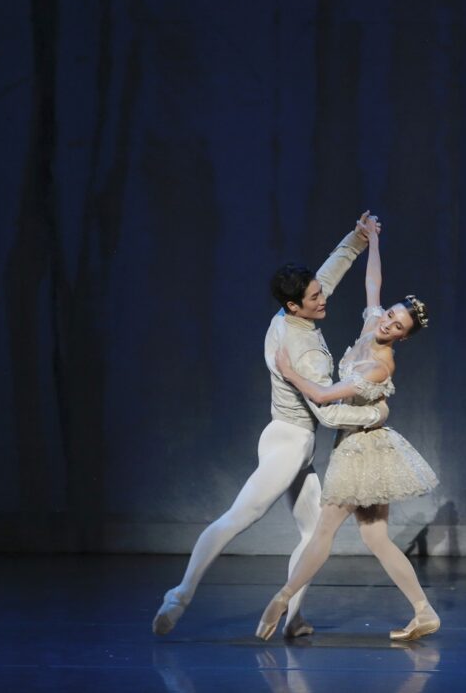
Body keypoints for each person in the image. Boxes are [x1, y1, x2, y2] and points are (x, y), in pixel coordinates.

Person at [152, 213, 388, 638]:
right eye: (315, 297)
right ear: (293, 305)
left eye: (320, 292)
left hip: (286, 437)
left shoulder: (289, 315)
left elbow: (329, 271)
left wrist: (356, 237)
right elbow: (327, 412)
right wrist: (374, 414)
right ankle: (180, 594)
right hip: (291, 442)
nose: (323, 299)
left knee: (313, 533)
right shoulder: (304, 351)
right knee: (240, 517)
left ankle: (293, 617)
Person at [255, 216, 440, 642]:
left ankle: (283, 599)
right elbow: (373, 283)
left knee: (325, 530)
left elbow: (323, 398)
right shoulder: (371, 322)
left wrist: (289, 372)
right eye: (391, 314)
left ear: (402, 338)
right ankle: (424, 610)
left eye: (397, 327)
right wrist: (372, 239)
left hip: (362, 450)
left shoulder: (379, 364)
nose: (388, 323)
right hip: (357, 442)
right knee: (377, 538)